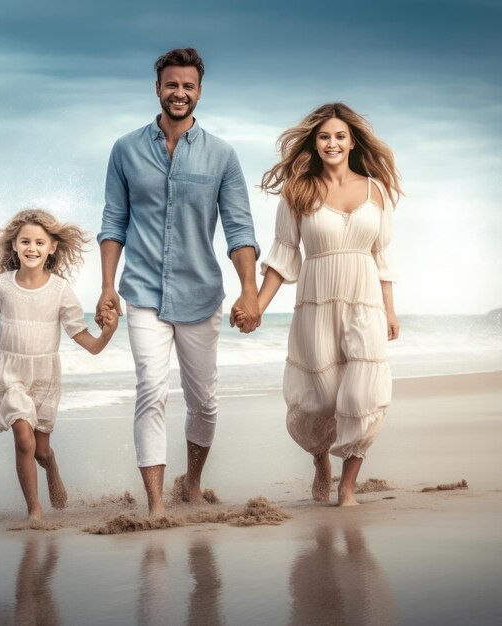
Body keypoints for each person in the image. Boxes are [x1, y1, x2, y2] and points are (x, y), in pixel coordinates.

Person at [96, 47, 260, 516]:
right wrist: (108, 285)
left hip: (200, 293)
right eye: (172, 85)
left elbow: (239, 229)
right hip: (143, 290)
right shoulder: (125, 149)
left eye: (188, 86)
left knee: (203, 401)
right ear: (158, 89)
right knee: (150, 387)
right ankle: (155, 504)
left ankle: (192, 482)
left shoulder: (222, 156)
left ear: (199, 92)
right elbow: (113, 221)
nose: (180, 93)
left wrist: (249, 291)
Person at [236, 103, 401, 505]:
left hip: (364, 301)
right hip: (316, 303)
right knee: (324, 399)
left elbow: (382, 257)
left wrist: (390, 309)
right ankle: (320, 458)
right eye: (325, 136)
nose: (332, 142)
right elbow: (283, 256)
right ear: (315, 141)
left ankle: (347, 488)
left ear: (352, 141)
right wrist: (255, 304)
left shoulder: (375, 190)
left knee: (361, 396)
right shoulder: (299, 191)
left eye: (340, 136)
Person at [0, 209, 118, 522]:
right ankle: (34, 510)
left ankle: (52, 467)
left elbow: (87, 342)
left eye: (39, 242)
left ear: (52, 247)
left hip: (46, 378)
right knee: (24, 437)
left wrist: (108, 332)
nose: (31, 247)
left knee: (41, 450)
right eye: (25, 241)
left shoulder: (61, 290)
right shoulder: (2, 285)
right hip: (10, 374)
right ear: (14, 246)